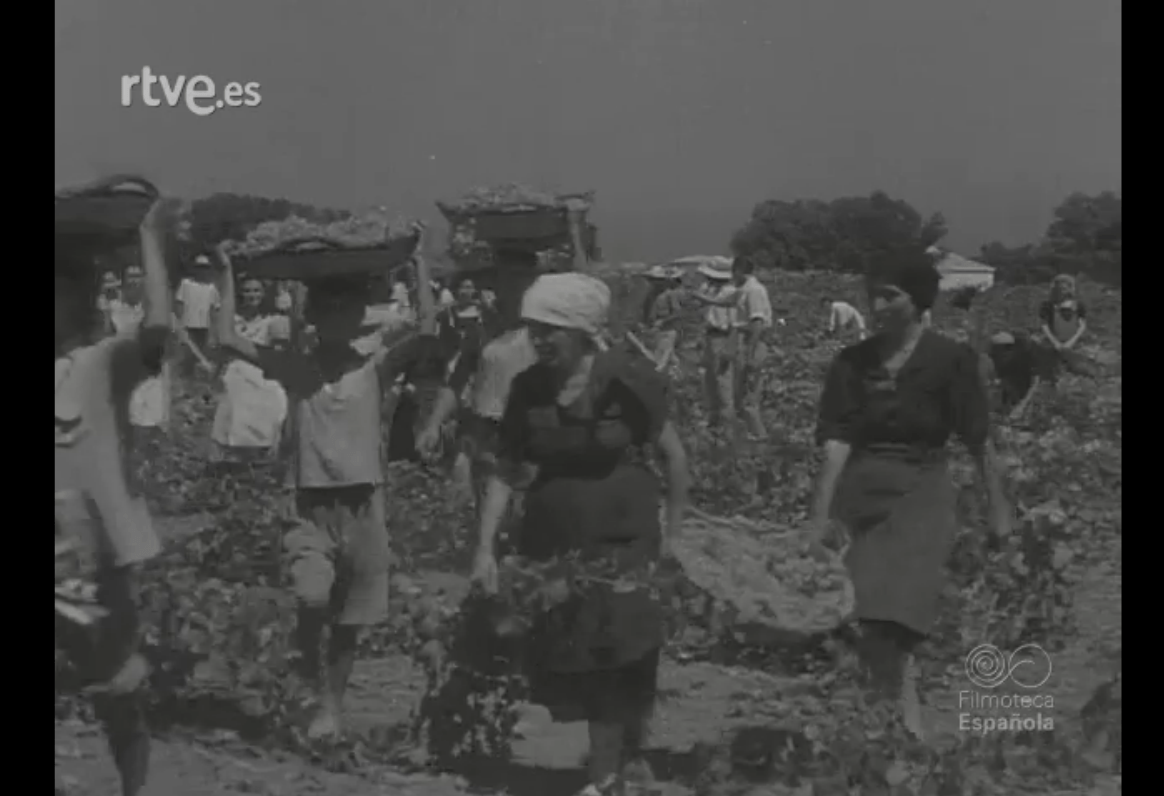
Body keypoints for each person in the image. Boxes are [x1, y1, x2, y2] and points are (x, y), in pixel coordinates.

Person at [471, 272, 690, 796]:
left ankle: (605, 775)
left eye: (551, 330)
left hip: (623, 538)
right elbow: (506, 469)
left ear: (581, 331)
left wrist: (676, 538)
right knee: (571, 651)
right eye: (532, 330)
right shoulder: (527, 387)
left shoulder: (627, 378)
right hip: (553, 541)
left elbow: (675, 458)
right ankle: (613, 761)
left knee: (616, 650)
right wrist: (484, 548)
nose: (539, 341)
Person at [213, 230, 434, 740]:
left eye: (347, 309)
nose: (338, 318)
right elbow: (225, 336)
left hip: (364, 503)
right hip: (309, 505)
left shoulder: (377, 366)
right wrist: (227, 271)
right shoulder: (296, 367)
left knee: (352, 620)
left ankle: (329, 707)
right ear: (314, 317)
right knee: (311, 599)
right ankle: (304, 684)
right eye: (327, 309)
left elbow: (426, 329)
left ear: (360, 315)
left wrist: (418, 266)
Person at [807, 247, 1011, 739]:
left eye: (889, 296)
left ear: (918, 299)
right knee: (864, 615)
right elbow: (836, 444)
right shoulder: (851, 363)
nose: (877, 306)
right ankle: (895, 722)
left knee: (895, 611)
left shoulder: (950, 360)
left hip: (922, 490)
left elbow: (978, 439)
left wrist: (999, 508)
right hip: (864, 492)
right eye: (872, 295)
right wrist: (818, 517)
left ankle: (904, 726)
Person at [55, 197, 175, 796]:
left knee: (116, 689)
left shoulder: (106, 360)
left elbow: (157, 330)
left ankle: (134, 787)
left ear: (82, 298)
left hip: (95, 553)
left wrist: (149, 239)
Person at [211, 276, 291, 453]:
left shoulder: (274, 320)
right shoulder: (232, 320)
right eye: (247, 290)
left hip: (262, 376)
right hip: (236, 378)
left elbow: (280, 354)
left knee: (263, 428)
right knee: (234, 426)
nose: (252, 295)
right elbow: (221, 350)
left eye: (256, 290)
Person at [101, 263, 173, 431]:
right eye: (130, 277)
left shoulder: (154, 311)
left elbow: (167, 351)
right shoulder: (113, 308)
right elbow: (106, 342)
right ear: (123, 281)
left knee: (153, 428)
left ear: (145, 280)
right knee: (125, 427)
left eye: (137, 276)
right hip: (125, 376)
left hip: (152, 376)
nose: (134, 281)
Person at [726, 256, 773, 440]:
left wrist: (750, 354)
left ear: (738, 271)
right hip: (746, 342)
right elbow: (728, 302)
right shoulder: (746, 289)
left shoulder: (754, 290)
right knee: (742, 393)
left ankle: (759, 436)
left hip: (751, 342)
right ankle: (753, 435)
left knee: (748, 395)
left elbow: (757, 324)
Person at [690, 263, 738, 434]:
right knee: (709, 380)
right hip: (711, 335)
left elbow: (735, 325)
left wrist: (730, 348)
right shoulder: (711, 290)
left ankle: (727, 427)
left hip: (722, 337)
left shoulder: (730, 293)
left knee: (723, 382)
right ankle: (714, 421)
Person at [174, 255, 220, 378]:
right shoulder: (186, 284)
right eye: (199, 267)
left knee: (201, 359)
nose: (202, 270)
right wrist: (179, 326)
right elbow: (179, 304)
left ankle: (198, 385)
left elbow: (214, 311)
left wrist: (213, 333)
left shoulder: (211, 288)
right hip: (187, 326)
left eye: (205, 267)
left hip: (204, 328)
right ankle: (183, 382)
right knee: (186, 357)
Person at [1039, 274, 1093, 377]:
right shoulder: (1047, 305)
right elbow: (1044, 325)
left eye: (1066, 287)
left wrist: (1070, 343)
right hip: (1052, 342)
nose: (1063, 290)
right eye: (1059, 288)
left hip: (1074, 343)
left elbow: (1082, 325)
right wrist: (1056, 343)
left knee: (1081, 367)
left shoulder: (1079, 305)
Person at [646, 267, 684, 371]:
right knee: (671, 360)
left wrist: (662, 321)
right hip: (658, 332)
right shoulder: (653, 295)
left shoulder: (669, 295)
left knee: (659, 362)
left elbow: (677, 313)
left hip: (666, 331)